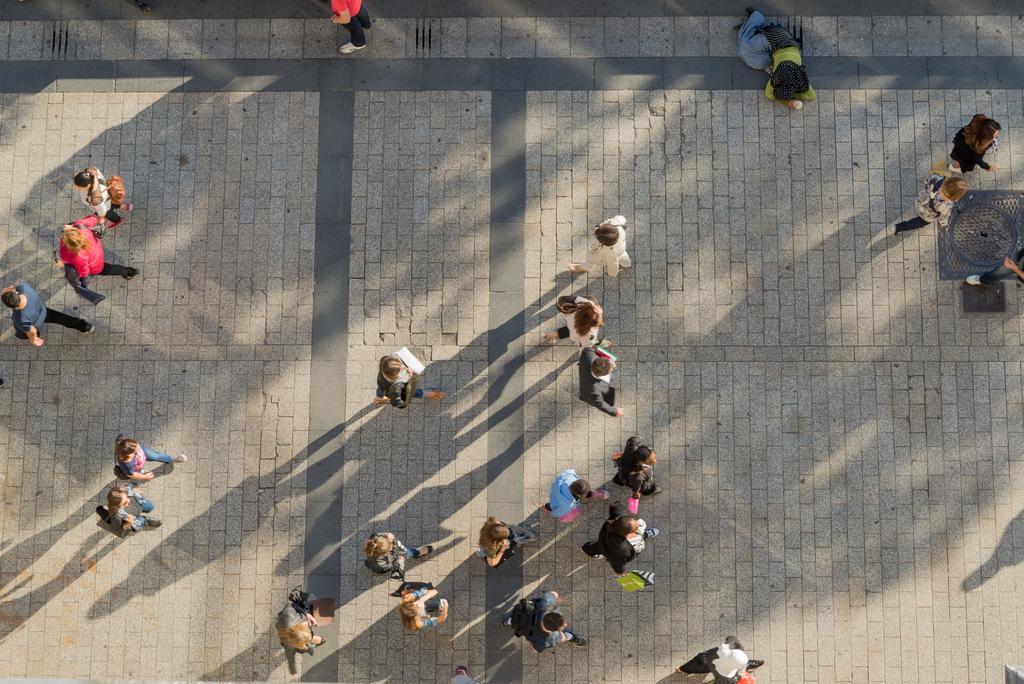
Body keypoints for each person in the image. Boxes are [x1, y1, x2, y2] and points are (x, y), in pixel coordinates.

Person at [736, 8, 815, 109]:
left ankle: (747, 32)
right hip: (776, 39)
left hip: (788, 46)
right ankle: (754, 22)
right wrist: (787, 102)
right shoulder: (776, 77)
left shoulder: (801, 81)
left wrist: (793, 98)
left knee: (755, 62)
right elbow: (769, 94)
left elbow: (812, 96)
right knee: (743, 50)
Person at [55, 216, 139, 303]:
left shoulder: (76, 255)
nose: (63, 230)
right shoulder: (80, 225)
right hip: (96, 253)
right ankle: (130, 271)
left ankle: (128, 272)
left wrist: (63, 265)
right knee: (107, 268)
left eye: (63, 235)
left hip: (94, 266)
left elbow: (84, 271)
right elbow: (94, 218)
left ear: (69, 244)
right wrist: (71, 227)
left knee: (107, 270)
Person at [581, 501, 659, 575]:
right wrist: (620, 571)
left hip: (605, 536)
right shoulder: (620, 550)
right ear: (625, 535)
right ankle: (586, 549)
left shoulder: (619, 516)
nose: (638, 525)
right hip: (606, 545)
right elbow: (617, 562)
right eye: (635, 529)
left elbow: (616, 505)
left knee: (598, 546)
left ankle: (643, 535)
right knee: (599, 548)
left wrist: (614, 504)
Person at [2, 283, 94, 345]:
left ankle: (25, 335)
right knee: (62, 318)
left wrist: (33, 339)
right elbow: (13, 287)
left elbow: (32, 331)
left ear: (12, 307)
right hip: (43, 310)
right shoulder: (23, 288)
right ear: (16, 293)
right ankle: (84, 326)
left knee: (18, 327)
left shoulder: (20, 318)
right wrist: (7, 290)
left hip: (36, 323)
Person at [501, 590, 587, 651]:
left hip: (523, 615)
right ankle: (571, 637)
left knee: (518, 619)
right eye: (562, 626)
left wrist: (555, 598)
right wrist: (563, 636)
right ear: (552, 630)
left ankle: (508, 621)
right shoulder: (550, 639)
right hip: (529, 629)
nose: (566, 625)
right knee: (564, 637)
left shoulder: (546, 603)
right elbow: (554, 594)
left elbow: (553, 593)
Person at [885, 174, 966, 236]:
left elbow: (926, 180)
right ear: (954, 198)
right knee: (917, 223)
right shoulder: (946, 205)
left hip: (920, 201)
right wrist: (944, 225)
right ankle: (896, 228)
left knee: (919, 211)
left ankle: (894, 228)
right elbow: (943, 218)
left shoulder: (936, 179)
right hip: (927, 215)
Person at [677, 636, 764, 682]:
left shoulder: (729, 647)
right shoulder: (725, 675)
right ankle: (747, 666)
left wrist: (739, 648)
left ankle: (682, 669)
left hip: (704, 659)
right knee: (697, 667)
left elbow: (731, 638)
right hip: (711, 666)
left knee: (692, 666)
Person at [567, 216, 631, 278]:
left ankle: (583, 267)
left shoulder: (610, 252)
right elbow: (617, 219)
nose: (595, 231)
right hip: (621, 249)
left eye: (597, 236)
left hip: (602, 256)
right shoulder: (616, 225)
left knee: (591, 259)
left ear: (604, 243)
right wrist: (599, 226)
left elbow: (613, 264)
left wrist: (612, 273)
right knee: (623, 256)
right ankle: (626, 264)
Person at [374, 354, 444, 408]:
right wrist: (412, 378)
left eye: (401, 365)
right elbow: (400, 404)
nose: (405, 368)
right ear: (395, 377)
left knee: (380, 392)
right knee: (415, 392)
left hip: (382, 387)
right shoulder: (397, 387)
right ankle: (432, 395)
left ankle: (380, 399)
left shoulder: (384, 369)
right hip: (399, 392)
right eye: (401, 370)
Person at [544, 469, 608, 523]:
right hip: (558, 502)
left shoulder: (570, 477)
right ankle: (592, 493)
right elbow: (557, 513)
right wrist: (553, 514)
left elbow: (570, 471)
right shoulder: (568, 506)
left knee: (582, 488)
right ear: (578, 495)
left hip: (555, 494)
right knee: (571, 514)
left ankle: (548, 506)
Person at [114, 434, 188, 481]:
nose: (138, 447)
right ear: (128, 455)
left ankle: (170, 460)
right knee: (139, 471)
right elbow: (132, 474)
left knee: (156, 456)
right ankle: (142, 471)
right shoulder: (127, 465)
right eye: (135, 450)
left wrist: (137, 449)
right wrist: (145, 477)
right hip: (137, 465)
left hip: (142, 455)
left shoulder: (125, 443)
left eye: (136, 445)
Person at [364, 532, 433, 578]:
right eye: (390, 548)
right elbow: (391, 566)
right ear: (384, 553)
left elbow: (377, 535)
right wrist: (399, 561)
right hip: (391, 559)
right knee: (408, 552)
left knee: (369, 564)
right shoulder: (381, 563)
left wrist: (387, 534)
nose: (392, 546)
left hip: (375, 562)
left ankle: (371, 567)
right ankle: (417, 553)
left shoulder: (374, 540)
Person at [276, 588, 325, 653]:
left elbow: (292, 605)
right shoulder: (290, 637)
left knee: (312, 601)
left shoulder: (289, 615)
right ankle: (316, 640)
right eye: (308, 629)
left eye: (307, 629)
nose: (309, 627)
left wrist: (306, 613)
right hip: (293, 637)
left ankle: (314, 640)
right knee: (304, 644)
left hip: (300, 609)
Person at [578, 346, 622, 417]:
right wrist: (614, 411)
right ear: (604, 374)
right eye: (611, 369)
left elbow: (588, 349)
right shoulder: (594, 391)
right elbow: (600, 403)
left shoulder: (588, 354)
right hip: (590, 392)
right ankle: (582, 397)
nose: (612, 368)